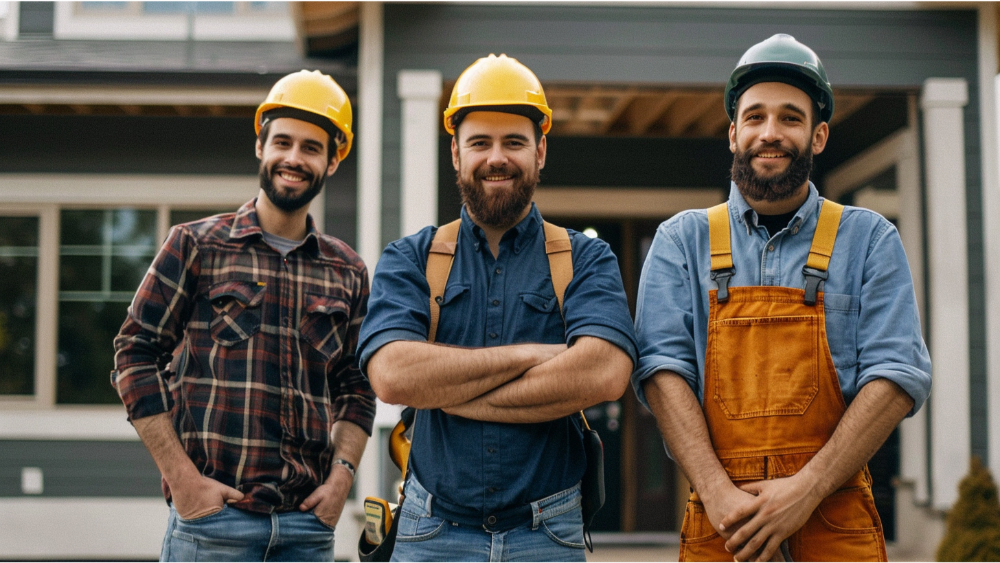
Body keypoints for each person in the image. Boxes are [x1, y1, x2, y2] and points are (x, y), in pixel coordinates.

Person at [632, 34, 932, 563]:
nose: (770, 133)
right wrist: (721, 497)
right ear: (732, 133)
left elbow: (897, 374)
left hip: (834, 519)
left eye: (790, 118)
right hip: (723, 526)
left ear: (818, 136)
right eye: (755, 117)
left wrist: (807, 490)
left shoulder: (869, 240)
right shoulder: (682, 241)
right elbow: (661, 371)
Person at [358, 54, 637, 562]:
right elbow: (394, 376)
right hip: (430, 534)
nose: (497, 157)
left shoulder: (585, 258)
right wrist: (538, 355)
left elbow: (605, 373)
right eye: (480, 142)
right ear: (456, 154)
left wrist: (444, 390)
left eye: (514, 142)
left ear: (541, 150)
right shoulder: (410, 259)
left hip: (547, 536)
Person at [111, 70, 375, 563]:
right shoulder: (195, 246)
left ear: (333, 160)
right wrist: (183, 479)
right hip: (212, 524)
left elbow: (356, 386)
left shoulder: (348, 270)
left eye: (312, 148)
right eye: (283, 142)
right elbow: (134, 353)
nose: (294, 158)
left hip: (306, 528)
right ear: (261, 147)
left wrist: (342, 479)